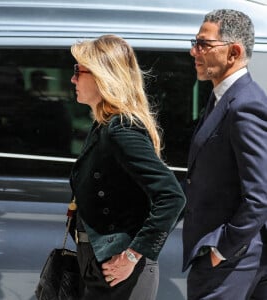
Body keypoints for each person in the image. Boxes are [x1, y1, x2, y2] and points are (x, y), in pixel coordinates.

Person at [69, 34, 186, 300]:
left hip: (120, 275)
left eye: (79, 70)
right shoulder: (103, 125)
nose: (73, 79)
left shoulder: (121, 129)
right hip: (99, 267)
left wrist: (133, 255)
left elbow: (172, 196)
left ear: (103, 76)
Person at [183, 9, 267, 299]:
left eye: (204, 44)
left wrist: (221, 250)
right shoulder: (221, 97)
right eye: (195, 42)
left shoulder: (244, 105)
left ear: (233, 52)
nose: (195, 51)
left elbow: (259, 196)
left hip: (232, 262)